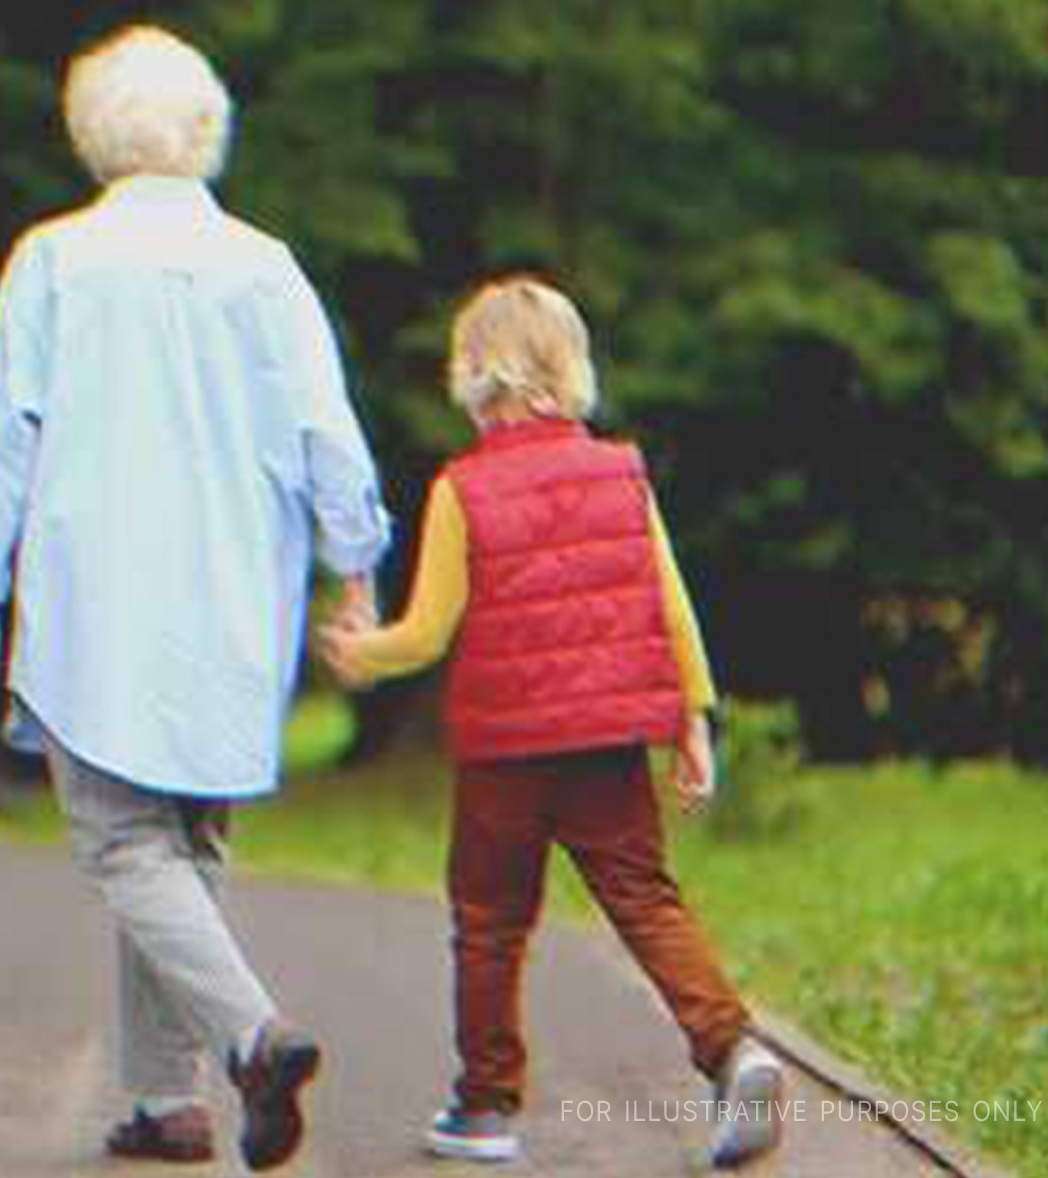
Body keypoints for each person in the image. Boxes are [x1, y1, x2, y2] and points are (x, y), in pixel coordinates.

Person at [0, 24, 391, 1172]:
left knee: (122, 843)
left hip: (99, 597)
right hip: (237, 593)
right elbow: (325, 433)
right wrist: (357, 569)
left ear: (92, 133)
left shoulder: (54, 261)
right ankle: (165, 1102)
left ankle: (249, 1038)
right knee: (182, 840)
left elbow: (5, 435)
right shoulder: (266, 266)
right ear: (206, 130)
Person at [315, 276, 784, 1170]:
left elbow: (427, 632)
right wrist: (692, 716)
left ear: (471, 375)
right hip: (609, 743)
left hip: (507, 752)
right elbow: (670, 604)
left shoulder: (462, 488)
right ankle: (733, 1050)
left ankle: (485, 1109)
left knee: (490, 920)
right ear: (572, 370)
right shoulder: (622, 473)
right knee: (646, 899)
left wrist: (357, 649)